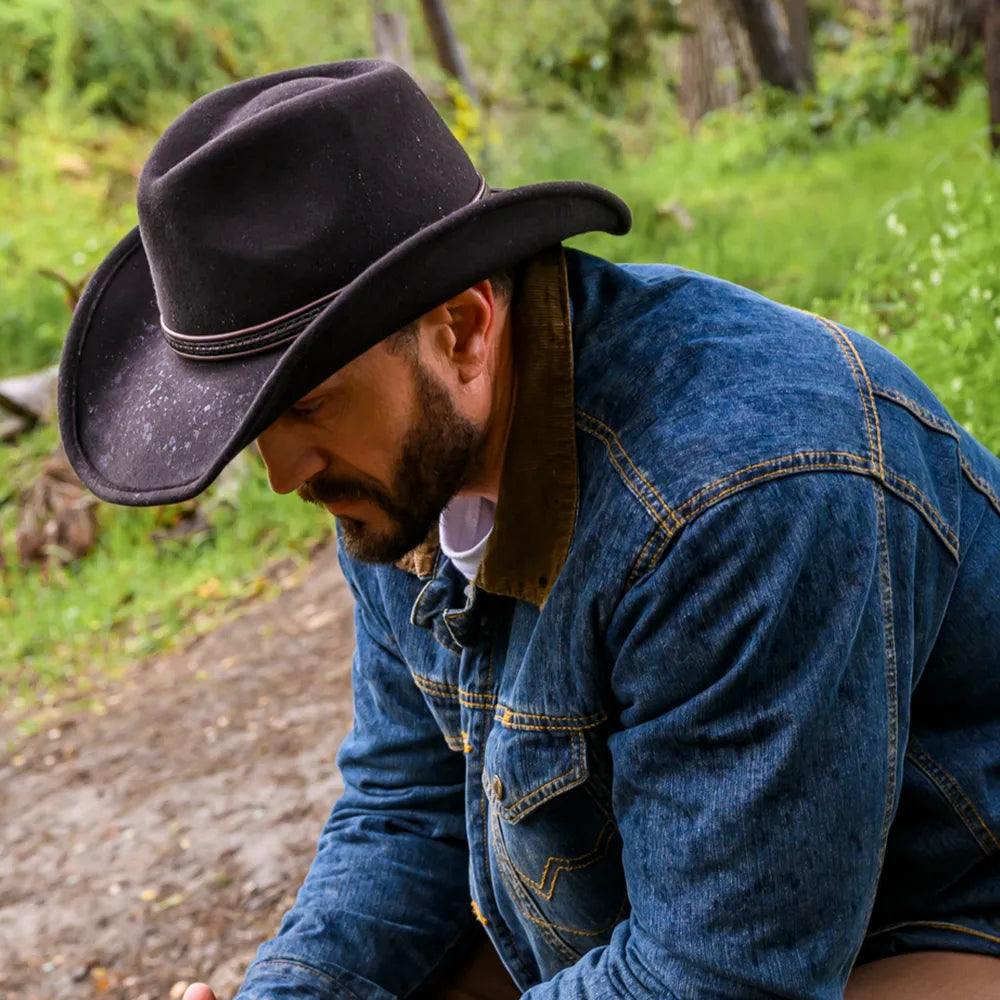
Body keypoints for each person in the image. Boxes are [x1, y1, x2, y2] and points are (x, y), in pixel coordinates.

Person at [58, 61, 1000, 999]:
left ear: (462, 330)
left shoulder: (740, 496)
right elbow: (408, 806)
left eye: (305, 404)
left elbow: (722, 979)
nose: (283, 474)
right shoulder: (405, 469)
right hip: (670, 914)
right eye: (254, 425)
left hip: (933, 912)